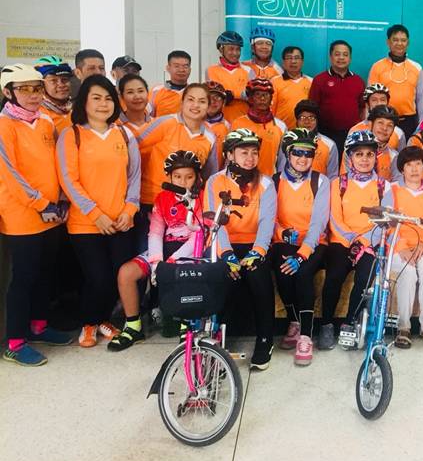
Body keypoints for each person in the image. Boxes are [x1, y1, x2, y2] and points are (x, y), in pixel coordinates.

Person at [56, 74, 141, 348]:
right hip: (86, 224)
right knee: (97, 277)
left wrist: (130, 209)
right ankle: (89, 323)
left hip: (121, 221)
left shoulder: (124, 134)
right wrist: (95, 214)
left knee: (118, 276)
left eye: (108, 98)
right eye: (96, 98)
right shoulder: (72, 135)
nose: (103, 104)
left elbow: (134, 176)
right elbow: (68, 180)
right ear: (84, 102)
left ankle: (104, 319)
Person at [0, 64, 72, 366]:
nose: (33, 95)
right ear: (8, 92)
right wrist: (41, 203)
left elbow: (57, 163)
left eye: (37, 88)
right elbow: (9, 173)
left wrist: (61, 199)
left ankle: (39, 327)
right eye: (25, 89)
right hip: (23, 215)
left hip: (52, 212)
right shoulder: (5, 125)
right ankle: (15, 342)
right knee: (24, 278)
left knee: (46, 273)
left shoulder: (44, 121)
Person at [108, 151, 205, 352]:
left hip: (190, 249)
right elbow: (155, 232)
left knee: (185, 274)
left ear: (197, 177)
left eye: (189, 177)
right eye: (177, 177)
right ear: (169, 177)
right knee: (126, 273)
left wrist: (173, 261)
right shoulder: (162, 198)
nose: (183, 182)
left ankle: (186, 325)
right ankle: (133, 326)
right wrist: (156, 264)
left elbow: (199, 235)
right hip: (164, 247)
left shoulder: (203, 197)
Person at [205, 128, 277, 370]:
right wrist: (227, 254)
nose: (250, 158)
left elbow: (267, 222)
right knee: (223, 275)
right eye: (243, 152)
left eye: (254, 152)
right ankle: (217, 340)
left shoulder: (266, 183)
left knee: (258, 275)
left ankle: (265, 339)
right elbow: (214, 222)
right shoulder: (215, 181)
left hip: (254, 242)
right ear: (229, 154)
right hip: (223, 241)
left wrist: (258, 251)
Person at [319, 130, 385, 350]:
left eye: (369, 154)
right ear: (350, 157)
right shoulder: (338, 183)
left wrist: (365, 241)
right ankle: (326, 324)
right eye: (359, 154)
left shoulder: (383, 186)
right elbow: (334, 219)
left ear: (375, 157)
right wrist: (352, 239)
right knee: (335, 275)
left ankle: (350, 322)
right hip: (342, 241)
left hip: (370, 242)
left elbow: (384, 221)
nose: (364, 159)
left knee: (365, 277)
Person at [272, 129, 331, 366]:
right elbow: (269, 217)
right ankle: (294, 321)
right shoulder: (274, 181)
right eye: (297, 152)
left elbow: (319, 223)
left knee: (303, 273)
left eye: (309, 154)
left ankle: (306, 335)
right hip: (285, 240)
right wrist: (281, 233)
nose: (303, 158)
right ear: (288, 154)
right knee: (282, 272)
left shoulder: (320, 181)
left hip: (314, 242)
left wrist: (302, 254)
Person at [381, 146, 423, 349]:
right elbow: (386, 224)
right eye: (409, 165)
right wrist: (401, 247)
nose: (414, 169)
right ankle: (403, 328)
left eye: (418, 164)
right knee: (407, 274)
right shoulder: (392, 189)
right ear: (402, 169)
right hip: (398, 245)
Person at [136, 83, 219, 212]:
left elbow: (210, 176)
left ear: (208, 106)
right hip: (151, 201)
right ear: (182, 102)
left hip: (185, 206)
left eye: (202, 101)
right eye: (190, 99)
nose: (196, 105)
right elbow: (134, 149)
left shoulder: (210, 137)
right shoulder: (165, 123)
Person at [368, 24, 423, 138]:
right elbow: (370, 98)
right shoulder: (377, 67)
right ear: (388, 42)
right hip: (384, 121)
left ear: (408, 43)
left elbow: (421, 99)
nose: (399, 43)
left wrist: (422, 125)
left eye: (403, 40)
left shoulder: (417, 68)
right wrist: (370, 122)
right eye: (395, 40)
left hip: (409, 121)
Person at [309, 40, 365, 157]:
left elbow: (362, 107)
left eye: (345, 54)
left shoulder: (358, 81)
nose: (341, 58)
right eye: (337, 54)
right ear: (330, 57)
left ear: (350, 58)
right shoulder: (319, 80)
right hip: (326, 134)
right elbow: (312, 108)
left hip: (352, 135)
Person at [231, 79, 286, 176]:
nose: (262, 98)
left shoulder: (280, 126)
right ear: (250, 99)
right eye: (258, 94)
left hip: (268, 180)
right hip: (242, 180)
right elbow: (230, 157)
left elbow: (283, 161)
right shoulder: (237, 124)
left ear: (271, 99)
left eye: (266, 95)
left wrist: (279, 180)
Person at [205, 31, 255, 121]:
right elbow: (211, 95)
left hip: (243, 121)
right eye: (231, 49)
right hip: (219, 122)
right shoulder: (211, 70)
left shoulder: (248, 71)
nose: (235, 53)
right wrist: (241, 95)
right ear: (221, 50)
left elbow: (253, 96)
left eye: (238, 49)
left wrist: (232, 94)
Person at [346, 104, 400, 181]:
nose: (384, 128)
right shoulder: (352, 151)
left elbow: (397, 184)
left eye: (390, 125)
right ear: (371, 124)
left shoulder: (394, 156)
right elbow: (344, 180)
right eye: (380, 123)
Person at [349, 83, 406, 151]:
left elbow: (402, 156)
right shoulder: (355, 131)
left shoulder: (398, 133)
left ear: (387, 103)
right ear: (367, 105)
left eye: (382, 100)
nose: (379, 103)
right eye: (374, 100)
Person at [292, 99, 339, 178]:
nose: (307, 122)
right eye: (302, 117)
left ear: (317, 121)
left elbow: (332, 177)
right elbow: (281, 172)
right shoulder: (287, 142)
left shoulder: (329, 145)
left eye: (311, 117)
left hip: (320, 185)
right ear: (297, 121)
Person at [271, 46, 312, 129]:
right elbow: (270, 110)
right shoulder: (274, 82)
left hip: (304, 131)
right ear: (283, 62)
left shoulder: (311, 82)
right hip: (281, 131)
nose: (293, 61)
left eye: (297, 58)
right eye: (289, 58)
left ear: (302, 62)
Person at [34, 55, 74, 135]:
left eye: (65, 79)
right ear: (41, 85)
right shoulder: (36, 115)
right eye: (53, 80)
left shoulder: (77, 110)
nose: (61, 85)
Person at [149, 50, 191, 117]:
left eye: (185, 66)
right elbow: (147, 117)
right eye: (176, 66)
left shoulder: (194, 91)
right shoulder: (156, 91)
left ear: (190, 69)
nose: (181, 70)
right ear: (168, 68)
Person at [205, 81, 232, 166]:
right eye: (208, 97)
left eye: (217, 97)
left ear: (223, 103)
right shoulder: (191, 124)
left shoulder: (229, 128)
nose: (213, 101)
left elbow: (229, 159)